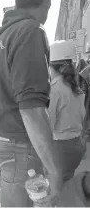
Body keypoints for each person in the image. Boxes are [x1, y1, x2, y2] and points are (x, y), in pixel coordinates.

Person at [0, 0, 63, 207]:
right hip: (19, 145)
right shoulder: (31, 30)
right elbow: (32, 109)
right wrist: (55, 171)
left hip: (2, 141)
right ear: (47, 2)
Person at [48, 40, 86, 182]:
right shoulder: (76, 88)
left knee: (57, 192)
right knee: (66, 184)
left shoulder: (54, 90)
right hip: (76, 145)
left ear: (51, 67)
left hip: (60, 149)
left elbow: (48, 126)